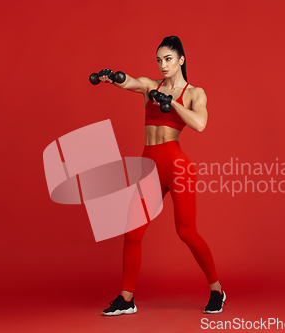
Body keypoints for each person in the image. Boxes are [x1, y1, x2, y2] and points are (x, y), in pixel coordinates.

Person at [96, 36, 225, 316]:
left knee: (186, 232)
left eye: (168, 59)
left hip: (176, 165)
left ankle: (217, 289)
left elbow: (200, 124)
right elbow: (129, 81)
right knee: (133, 233)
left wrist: (172, 103)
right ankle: (126, 298)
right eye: (159, 60)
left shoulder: (194, 93)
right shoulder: (150, 86)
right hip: (149, 165)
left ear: (181, 60)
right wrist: (111, 78)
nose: (163, 65)